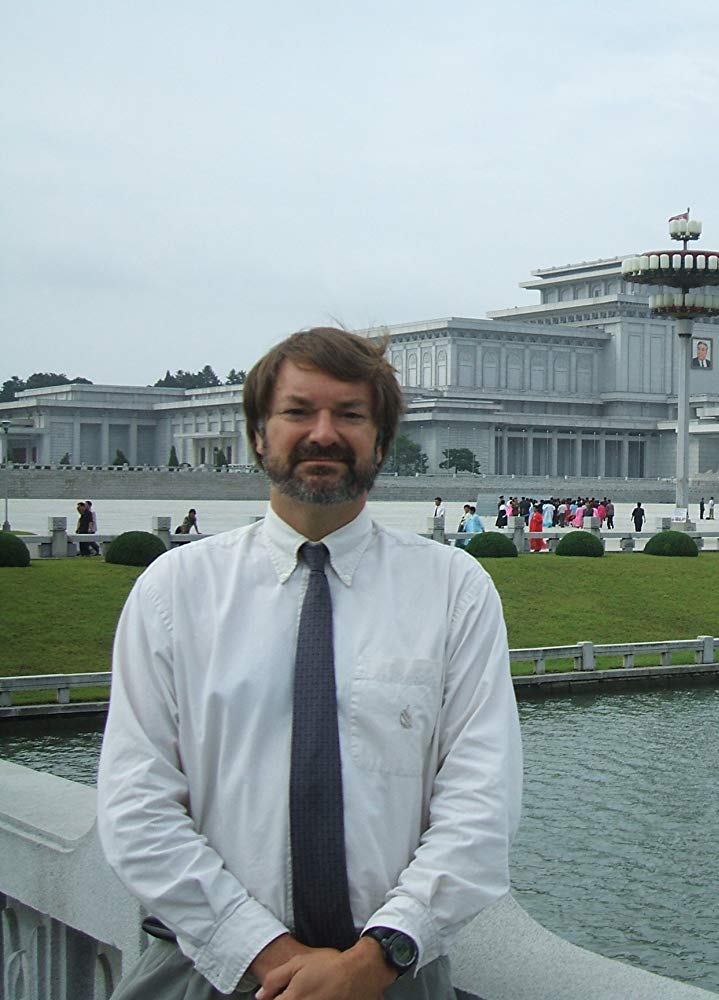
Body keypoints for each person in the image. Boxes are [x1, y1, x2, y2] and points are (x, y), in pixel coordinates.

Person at [97, 327, 522, 1000]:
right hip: (205, 969)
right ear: (258, 434)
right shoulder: (176, 591)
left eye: (350, 415)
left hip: (390, 973)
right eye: (298, 411)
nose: (323, 433)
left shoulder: (453, 590)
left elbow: (481, 802)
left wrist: (374, 959)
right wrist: (266, 952)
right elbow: (135, 804)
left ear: (381, 441)